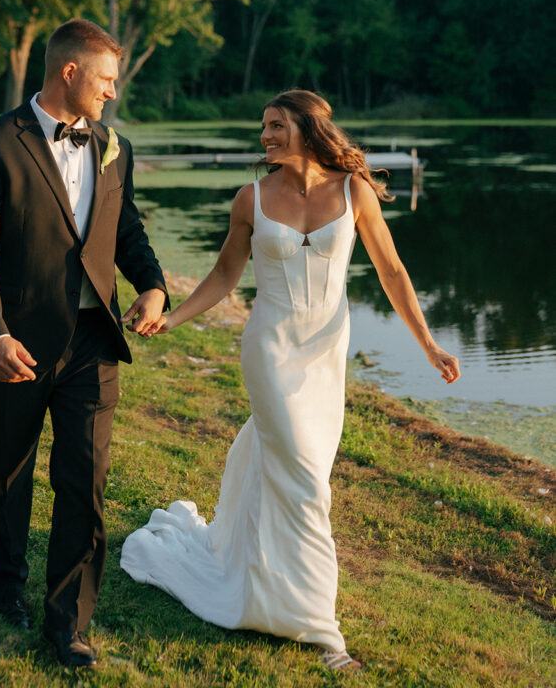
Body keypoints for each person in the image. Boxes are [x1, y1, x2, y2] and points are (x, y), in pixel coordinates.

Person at [120, 89, 460, 674]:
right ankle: (325, 632)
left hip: (325, 356)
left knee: (298, 471)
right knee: (306, 482)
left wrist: (427, 342)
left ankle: (263, 578)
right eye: (263, 128)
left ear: (307, 128)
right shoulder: (250, 198)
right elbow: (227, 272)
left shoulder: (353, 191)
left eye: (276, 125)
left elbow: (392, 270)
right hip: (271, 349)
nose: (266, 136)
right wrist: (171, 316)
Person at [0, 19, 168, 670]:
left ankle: (67, 621)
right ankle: (6, 584)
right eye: (105, 80)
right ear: (69, 73)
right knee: (7, 471)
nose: (112, 95)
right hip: (16, 341)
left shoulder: (112, 147)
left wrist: (152, 286)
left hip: (94, 341)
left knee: (85, 480)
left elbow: (126, 230)